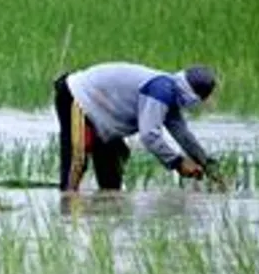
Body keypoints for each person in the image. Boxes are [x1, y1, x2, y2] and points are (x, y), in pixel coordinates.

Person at [53, 61, 221, 192]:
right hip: (77, 96)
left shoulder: (171, 94)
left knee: (115, 157)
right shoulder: (161, 90)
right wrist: (177, 162)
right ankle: (67, 204)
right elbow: (149, 135)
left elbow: (183, 136)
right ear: (193, 96)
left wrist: (207, 165)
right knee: (77, 159)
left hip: (102, 112)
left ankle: (106, 207)